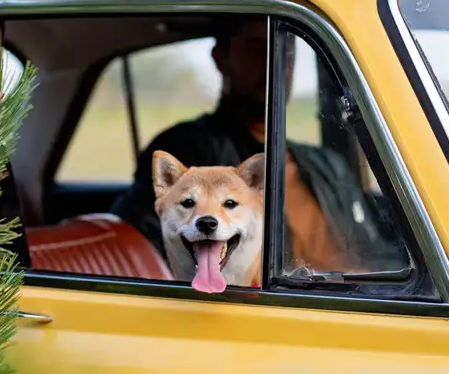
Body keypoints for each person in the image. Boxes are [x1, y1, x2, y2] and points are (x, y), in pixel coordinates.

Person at [110, 15, 400, 275]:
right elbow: (151, 246)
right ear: (222, 59)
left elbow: (377, 252)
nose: (274, 62)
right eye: (256, 49)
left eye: (285, 50)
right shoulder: (186, 149)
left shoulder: (328, 164)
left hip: (358, 299)